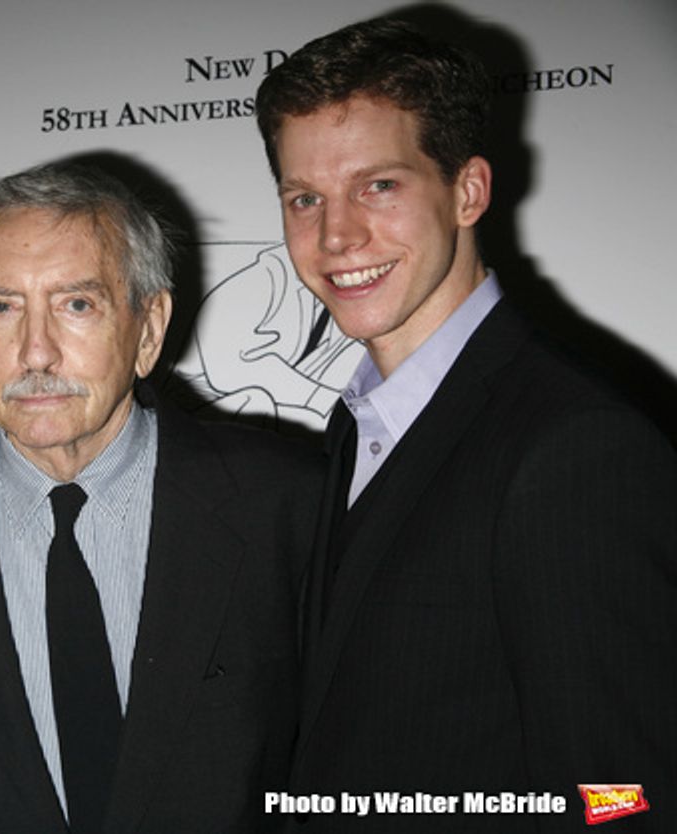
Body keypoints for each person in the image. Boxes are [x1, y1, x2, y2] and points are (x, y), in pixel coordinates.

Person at [255, 18, 677, 832]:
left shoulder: (575, 450)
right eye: (305, 198)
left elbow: (624, 800)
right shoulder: (361, 424)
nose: (336, 236)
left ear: (468, 191)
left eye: (379, 186)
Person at [0, 162, 320, 833]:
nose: (35, 353)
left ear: (149, 329)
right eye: (1, 308)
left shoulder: (286, 504)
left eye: (76, 305)